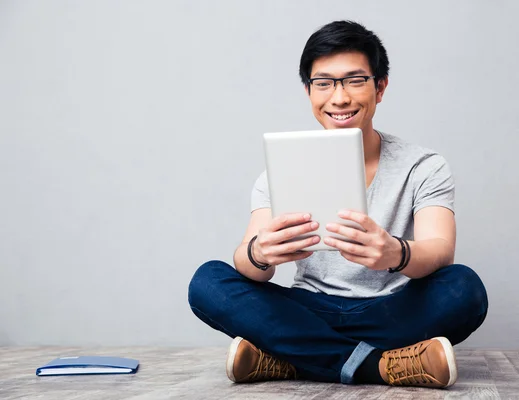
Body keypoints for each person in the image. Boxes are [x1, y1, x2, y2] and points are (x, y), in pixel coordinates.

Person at [188, 20, 488, 389]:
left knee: (464, 289)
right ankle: (376, 366)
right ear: (309, 91)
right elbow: (251, 269)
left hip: (390, 309)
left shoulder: (423, 166)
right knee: (208, 281)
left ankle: (291, 358)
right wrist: (259, 253)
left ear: (380, 88)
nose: (340, 97)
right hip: (306, 307)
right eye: (324, 83)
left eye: (355, 80)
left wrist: (396, 253)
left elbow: (441, 251)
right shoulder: (279, 171)